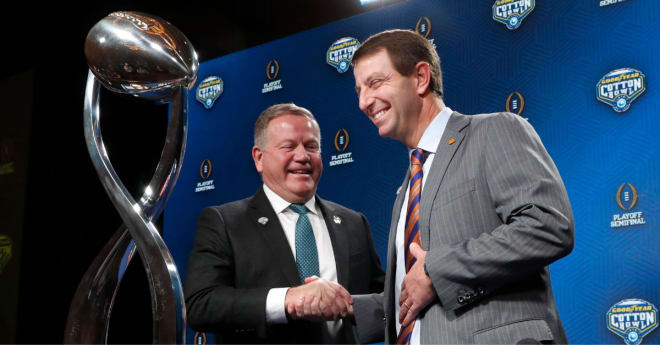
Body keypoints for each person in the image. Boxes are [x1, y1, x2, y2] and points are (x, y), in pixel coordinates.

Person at [346, 29, 575, 344]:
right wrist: (347, 308)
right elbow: (419, 292)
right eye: (358, 90)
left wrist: (437, 270)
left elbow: (547, 227)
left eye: (375, 83)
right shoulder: (409, 185)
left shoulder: (493, 131)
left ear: (421, 78)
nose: (363, 102)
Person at [184, 103, 385, 344]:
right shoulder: (225, 222)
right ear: (259, 158)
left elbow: (386, 301)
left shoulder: (354, 223)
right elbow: (201, 305)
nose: (302, 156)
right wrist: (288, 299)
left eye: (312, 146)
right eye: (288, 146)